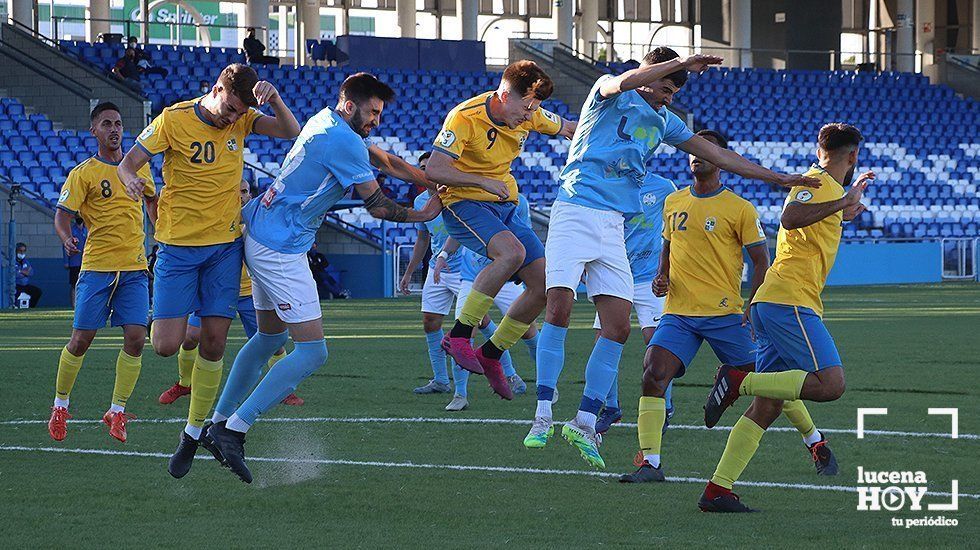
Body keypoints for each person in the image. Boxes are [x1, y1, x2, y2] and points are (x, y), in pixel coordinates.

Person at [525, 48, 820, 470]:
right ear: (648, 75)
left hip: (613, 223)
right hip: (575, 209)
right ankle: (542, 415)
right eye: (665, 86)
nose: (667, 97)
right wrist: (678, 64)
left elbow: (720, 155)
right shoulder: (607, 92)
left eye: (674, 91)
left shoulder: (665, 121)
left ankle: (586, 420)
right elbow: (626, 81)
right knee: (559, 306)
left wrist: (778, 178)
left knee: (617, 326)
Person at [205, 72, 441, 484]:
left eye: (380, 114)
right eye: (372, 112)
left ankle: (217, 421)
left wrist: (433, 178)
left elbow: (386, 160)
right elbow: (379, 207)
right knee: (313, 352)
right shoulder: (345, 140)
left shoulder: (326, 121)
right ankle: (233, 431)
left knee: (270, 338)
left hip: (262, 228)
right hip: (280, 248)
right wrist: (424, 212)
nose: (376, 121)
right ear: (351, 105)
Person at [618, 130, 834, 485]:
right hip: (680, 313)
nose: (696, 156)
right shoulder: (673, 202)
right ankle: (651, 463)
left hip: (726, 315)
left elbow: (760, 260)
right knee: (653, 373)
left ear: (721, 158)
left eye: (705, 150)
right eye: (693, 150)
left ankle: (814, 439)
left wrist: (752, 305)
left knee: (766, 383)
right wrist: (661, 275)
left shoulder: (740, 208)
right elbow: (668, 246)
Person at [117, 63, 301, 479]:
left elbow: (291, 131)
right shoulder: (173, 119)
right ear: (217, 89)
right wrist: (129, 178)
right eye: (231, 108)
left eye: (240, 112)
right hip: (178, 250)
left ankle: (192, 433)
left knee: (215, 343)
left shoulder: (244, 119)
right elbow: (130, 162)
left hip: (223, 250)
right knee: (165, 344)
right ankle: (193, 419)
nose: (233, 118)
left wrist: (272, 99)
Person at [698, 123, 872, 513]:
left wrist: (848, 206)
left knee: (767, 407)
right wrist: (843, 202)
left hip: (775, 301)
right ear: (854, 153)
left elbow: (819, 221)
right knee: (830, 384)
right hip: (788, 300)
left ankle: (717, 490)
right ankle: (736, 380)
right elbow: (791, 217)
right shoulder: (818, 182)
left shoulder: (830, 190)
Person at [425, 60, 575, 401]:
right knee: (513, 253)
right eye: (525, 108)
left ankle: (491, 354)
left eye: (534, 109)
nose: (529, 116)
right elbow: (435, 169)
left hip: (504, 206)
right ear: (504, 95)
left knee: (544, 286)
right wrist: (480, 180)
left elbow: (568, 127)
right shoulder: (464, 117)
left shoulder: (531, 112)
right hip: (465, 204)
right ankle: (460, 336)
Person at [47, 102, 157, 443]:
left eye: (118, 123)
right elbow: (63, 213)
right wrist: (67, 238)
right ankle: (60, 406)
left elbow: (153, 203)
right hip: (96, 268)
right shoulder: (84, 173)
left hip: (135, 269)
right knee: (81, 341)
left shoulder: (140, 167)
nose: (114, 129)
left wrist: (163, 233)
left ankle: (117, 410)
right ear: (94, 130)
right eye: (106, 124)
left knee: (137, 339)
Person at [158, 179, 302, 408]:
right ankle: (185, 383)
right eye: (236, 192)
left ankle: (284, 390)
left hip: (249, 294)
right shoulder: (217, 219)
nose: (241, 196)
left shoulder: (257, 219)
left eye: (245, 192)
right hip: (216, 291)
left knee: (273, 343)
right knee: (189, 337)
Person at [432, 195, 541, 411]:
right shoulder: (465, 195)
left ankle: (545, 384)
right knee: (464, 336)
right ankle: (460, 394)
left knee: (529, 330)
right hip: (472, 277)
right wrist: (444, 254)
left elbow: (521, 238)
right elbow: (460, 231)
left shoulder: (517, 201)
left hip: (509, 275)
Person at [589, 170, 678, 436]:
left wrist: (668, 271)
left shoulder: (663, 187)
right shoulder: (607, 185)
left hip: (649, 278)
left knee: (658, 345)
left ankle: (664, 405)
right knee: (603, 342)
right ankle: (612, 407)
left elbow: (674, 232)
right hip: (615, 274)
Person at [398, 151, 463, 395]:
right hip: (437, 268)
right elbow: (423, 237)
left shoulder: (457, 195)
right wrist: (409, 272)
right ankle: (441, 380)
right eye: (423, 168)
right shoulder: (419, 202)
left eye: (431, 166)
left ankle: (510, 375)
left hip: (464, 268)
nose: (427, 171)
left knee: (479, 322)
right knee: (430, 321)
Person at [64, 217, 87, 307]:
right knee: (74, 284)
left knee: (85, 284)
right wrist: (66, 261)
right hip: (74, 261)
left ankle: (83, 304)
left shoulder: (87, 230)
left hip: (85, 261)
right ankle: (74, 304)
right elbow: (65, 245)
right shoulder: (72, 230)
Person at [14, 243, 42, 308]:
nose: (22, 253)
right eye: (20, 251)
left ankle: (31, 308)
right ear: (16, 251)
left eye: (24, 251)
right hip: (16, 285)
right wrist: (24, 272)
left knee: (37, 292)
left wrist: (20, 271)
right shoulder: (12, 262)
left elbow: (31, 273)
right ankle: (13, 307)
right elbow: (15, 274)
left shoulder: (26, 262)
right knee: (14, 296)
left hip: (25, 285)